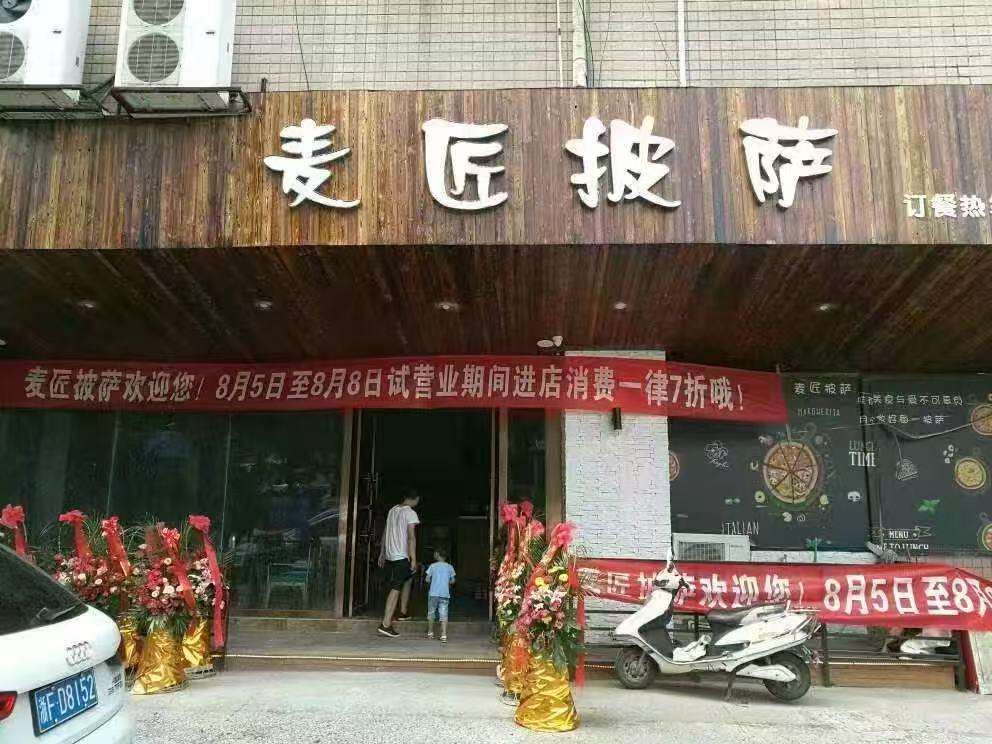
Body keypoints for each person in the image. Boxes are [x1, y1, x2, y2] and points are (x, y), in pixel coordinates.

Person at [377, 490, 421, 638]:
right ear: (415, 499)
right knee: (395, 588)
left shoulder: (392, 510)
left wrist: (383, 552)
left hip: (390, 555)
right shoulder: (410, 513)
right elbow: (411, 537)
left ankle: (403, 612)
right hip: (401, 556)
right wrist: (413, 558)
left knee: (408, 578)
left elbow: (385, 532)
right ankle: (386, 624)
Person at [425, 549, 456, 643]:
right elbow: (453, 580)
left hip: (433, 593)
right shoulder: (450, 567)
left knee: (431, 613)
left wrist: (433, 582)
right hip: (444, 594)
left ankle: (430, 633)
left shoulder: (432, 566)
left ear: (437, 555)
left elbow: (427, 579)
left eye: (435, 553)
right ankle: (443, 635)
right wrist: (447, 582)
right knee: (444, 614)